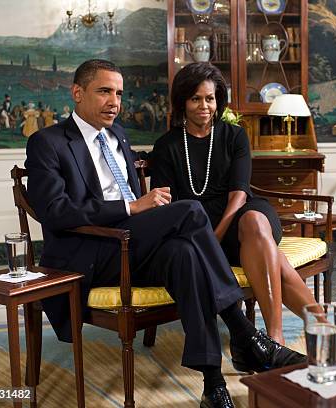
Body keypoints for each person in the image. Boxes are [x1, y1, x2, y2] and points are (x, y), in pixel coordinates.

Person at [25, 59, 305, 408]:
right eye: (104, 91)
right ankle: (244, 332)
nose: (115, 101)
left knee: (185, 255)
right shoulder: (47, 142)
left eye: (119, 93)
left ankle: (213, 384)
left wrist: (140, 212)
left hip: (131, 244)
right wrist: (131, 208)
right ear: (77, 93)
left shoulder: (117, 136)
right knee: (190, 210)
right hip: (91, 248)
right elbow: (55, 212)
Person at [151, 62, 336, 350]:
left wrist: (215, 236)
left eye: (210, 98)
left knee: (255, 223)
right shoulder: (166, 146)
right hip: (196, 229)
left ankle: (275, 337)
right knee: (272, 257)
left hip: (241, 216)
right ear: (182, 102)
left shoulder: (234, 135)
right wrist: (203, 239)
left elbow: (239, 193)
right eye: (195, 99)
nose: (204, 106)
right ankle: (322, 326)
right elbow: (166, 205)